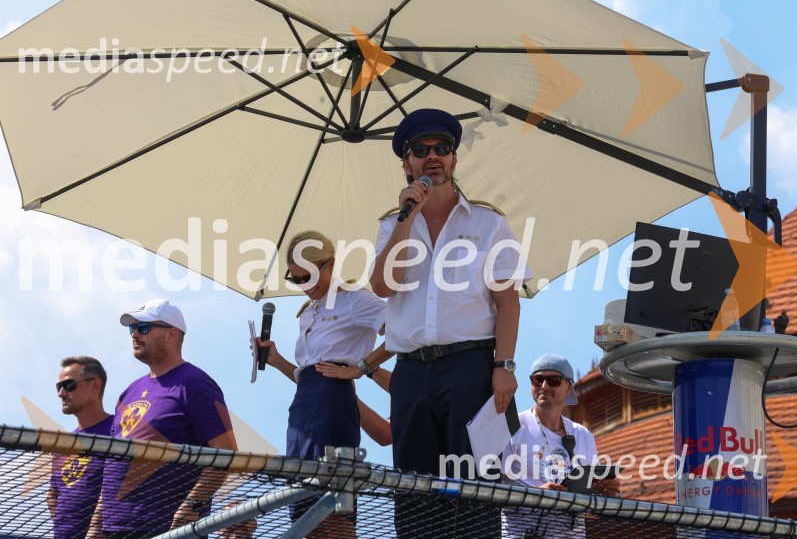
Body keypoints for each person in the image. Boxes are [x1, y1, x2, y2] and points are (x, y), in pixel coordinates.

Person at [369, 108, 530, 538]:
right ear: (406, 165)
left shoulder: (488, 223)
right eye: (420, 151)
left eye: (442, 148)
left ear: (455, 159)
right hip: (411, 373)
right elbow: (384, 286)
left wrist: (505, 366)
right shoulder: (392, 224)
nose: (432, 157)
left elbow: (508, 303)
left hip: (471, 369)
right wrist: (407, 218)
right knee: (415, 492)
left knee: (477, 488)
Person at [256, 231, 390, 538]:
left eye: (310, 276)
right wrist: (276, 360)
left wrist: (363, 367)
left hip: (332, 402)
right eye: (297, 279)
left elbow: (402, 332)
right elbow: (309, 373)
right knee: (301, 504)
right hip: (302, 406)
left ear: (330, 264)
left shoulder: (356, 299)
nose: (306, 285)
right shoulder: (309, 312)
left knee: (332, 505)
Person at [89, 299, 237, 538]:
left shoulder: (195, 383)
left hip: (166, 530)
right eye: (132, 328)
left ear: (171, 334)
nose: (135, 335)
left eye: (144, 328)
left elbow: (226, 454)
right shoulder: (128, 393)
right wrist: (96, 526)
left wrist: (190, 508)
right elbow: (112, 464)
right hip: (113, 530)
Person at [501, 353, 620, 538]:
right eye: (537, 379)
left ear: (568, 388)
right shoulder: (511, 425)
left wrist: (607, 491)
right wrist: (536, 495)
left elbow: (593, 504)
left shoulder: (583, 435)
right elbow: (488, 490)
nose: (544, 386)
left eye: (554, 380)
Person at [48, 356, 114, 539]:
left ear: (95, 385)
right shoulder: (62, 445)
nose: (61, 393)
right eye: (58, 387)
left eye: (68, 385)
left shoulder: (121, 430)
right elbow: (53, 495)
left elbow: (120, 485)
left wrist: (95, 528)